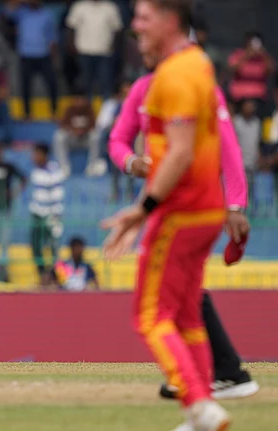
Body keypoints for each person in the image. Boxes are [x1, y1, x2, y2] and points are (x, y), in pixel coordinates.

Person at [103, 1, 234, 429]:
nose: (134, 25)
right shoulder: (197, 64)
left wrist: (142, 210)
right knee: (186, 315)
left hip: (180, 210)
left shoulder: (174, 76)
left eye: (143, 17)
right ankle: (201, 411)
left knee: (149, 316)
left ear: (170, 20)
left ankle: (199, 405)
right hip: (207, 208)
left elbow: (178, 153)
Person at [107, 45, 259, 404]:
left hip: (193, 203)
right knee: (186, 293)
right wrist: (132, 163)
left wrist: (236, 202)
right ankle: (218, 374)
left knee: (162, 303)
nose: (142, 42)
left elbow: (228, 146)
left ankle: (215, 376)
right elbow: (117, 141)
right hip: (162, 200)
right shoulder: (143, 89)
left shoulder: (199, 84)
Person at [29, 143, 65, 288]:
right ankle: (42, 276)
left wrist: (55, 216)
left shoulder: (54, 171)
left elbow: (57, 195)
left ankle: (53, 278)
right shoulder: (35, 171)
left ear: (44, 155)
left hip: (51, 216)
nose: (34, 157)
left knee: (53, 248)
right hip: (37, 214)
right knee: (36, 247)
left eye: (37, 154)